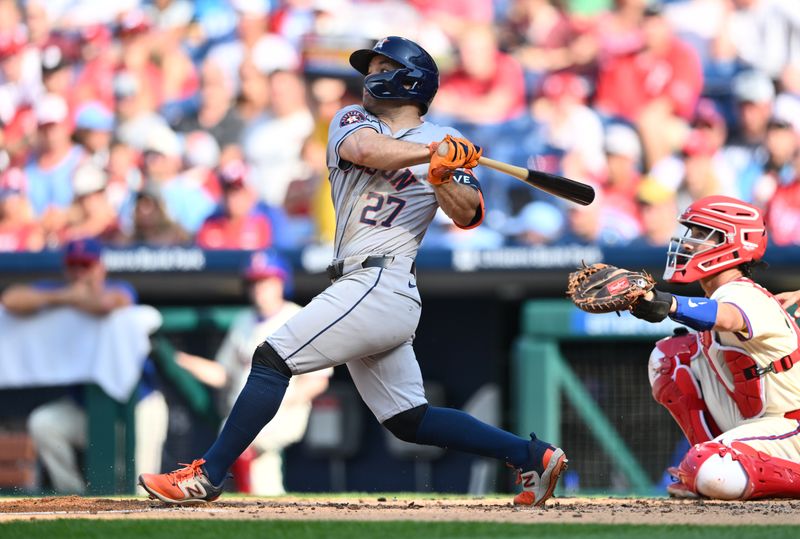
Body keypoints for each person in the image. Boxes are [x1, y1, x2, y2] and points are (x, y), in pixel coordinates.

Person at [139, 35, 567, 507]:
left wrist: (447, 174)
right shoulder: (353, 120)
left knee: (271, 357)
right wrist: (432, 156)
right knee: (409, 419)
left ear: (410, 79)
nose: (369, 77)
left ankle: (207, 476)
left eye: (381, 67)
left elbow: (467, 215)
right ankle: (532, 455)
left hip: (383, 281)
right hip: (361, 284)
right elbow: (367, 151)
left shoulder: (444, 142)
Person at [629, 195, 800, 500]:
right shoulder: (724, 293)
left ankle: (711, 463)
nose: (688, 242)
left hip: (791, 427)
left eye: (699, 234)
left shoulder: (744, 293)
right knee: (670, 357)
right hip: (758, 422)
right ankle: (711, 456)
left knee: (710, 470)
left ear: (731, 242)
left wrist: (671, 304)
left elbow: (728, 317)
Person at [1, 238, 165, 493]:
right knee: (44, 423)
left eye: (86, 266)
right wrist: (65, 296)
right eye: (74, 266)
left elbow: (109, 304)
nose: (79, 273)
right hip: (85, 408)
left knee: (142, 489)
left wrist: (74, 298)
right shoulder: (58, 292)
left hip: (137, 406)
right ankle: (73, 495)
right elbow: (11, 300)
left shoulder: (117, 288)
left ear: (100, 267)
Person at [174, 250, 331, 495]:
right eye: (255, 282)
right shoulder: (243, 321)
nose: (259, 288)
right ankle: (266, 513)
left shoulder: (298, 316)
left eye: (266, 280)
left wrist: (283, 401)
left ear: (281, 282)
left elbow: (319, 379)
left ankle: (238, 497)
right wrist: (181, 361)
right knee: (265, 479)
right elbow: (224, 374)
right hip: (245, 409)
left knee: (241, 445)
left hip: (283, 409)